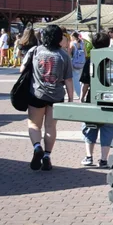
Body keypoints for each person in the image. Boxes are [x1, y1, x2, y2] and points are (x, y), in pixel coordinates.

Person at [22, 24, 75, 171]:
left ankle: (37, 146)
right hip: (56, 95)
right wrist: (71, 99)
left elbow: (22, 69)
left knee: (34, 125)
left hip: (37, 93)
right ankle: (47, 156)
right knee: (50, 127)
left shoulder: (35, 51)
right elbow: (69, 80)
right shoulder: (64, 55)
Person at [80, 31, 113, 168]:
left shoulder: (91, 59)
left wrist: (82, 97)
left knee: (90, 127)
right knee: (108, 129)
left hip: (93, 98)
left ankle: (89, 157)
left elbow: (85, 82)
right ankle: (103, 159)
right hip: (110, 99)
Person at [69, 32, 87, 99]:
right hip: (82, 64)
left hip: (74, 64)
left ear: (73, 36)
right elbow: (85, 54)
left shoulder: (72, 44)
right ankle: (83, 94)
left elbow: (69, 54)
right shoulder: (82, 43)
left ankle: (80, 95)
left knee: (75, 81)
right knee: (81, 80)